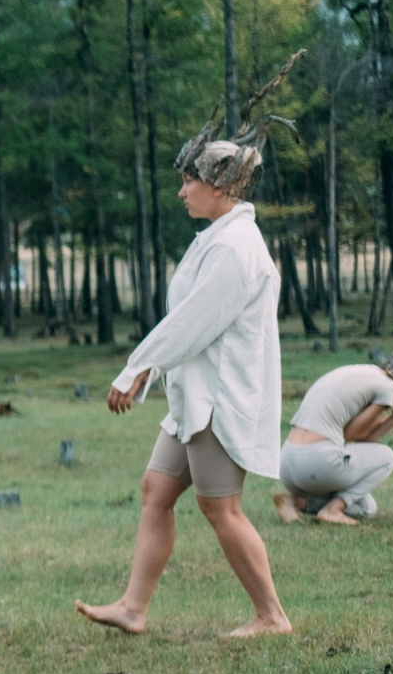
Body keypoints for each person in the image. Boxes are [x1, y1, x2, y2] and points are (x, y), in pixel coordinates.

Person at [76, 135, 290, 638]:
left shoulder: (236, 248)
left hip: (219, 396)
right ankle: (133, 607)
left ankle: (272, 616)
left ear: (221, 187)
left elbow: (194, 321)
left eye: (190, 180)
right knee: (157, 490)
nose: (182, 191)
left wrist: (138, 367)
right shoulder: (216, 237)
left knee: (221, 507)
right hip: (196, 395)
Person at [275, 362, 393, 526]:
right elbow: (354, 435)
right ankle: (332, 510)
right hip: (316, 463)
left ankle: (294, 502)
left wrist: (390, 420)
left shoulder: (361, 372)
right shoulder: (388, 387)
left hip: (287, 464)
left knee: (365, 507)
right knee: (387, 457)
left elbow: (348, 427)